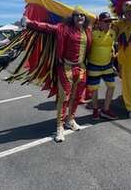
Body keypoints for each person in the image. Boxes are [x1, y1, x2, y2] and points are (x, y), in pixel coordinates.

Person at [26, 10, 92, 142]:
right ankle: (59, 127)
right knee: (64, 98)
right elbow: (46, 27)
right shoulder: (63, 28)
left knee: (77, 97)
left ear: (85, 18)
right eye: (77, 15)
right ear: (72, 17)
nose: (80, 17)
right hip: (66, 68)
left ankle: (71, 120)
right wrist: (29, 22)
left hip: (81, 68)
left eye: (82, 15)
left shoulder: (88, 32)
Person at [87, 12, 118, 120]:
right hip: (93, 66)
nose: (109, 23)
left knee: (112, 86)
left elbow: (112, 48)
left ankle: (105, 110)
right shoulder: (92, 33)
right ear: (100, 22)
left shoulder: (113, 33)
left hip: (108, 65)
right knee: (94, 89)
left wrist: (114, 62)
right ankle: (95, 110)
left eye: (110, 21)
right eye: (106, 21)